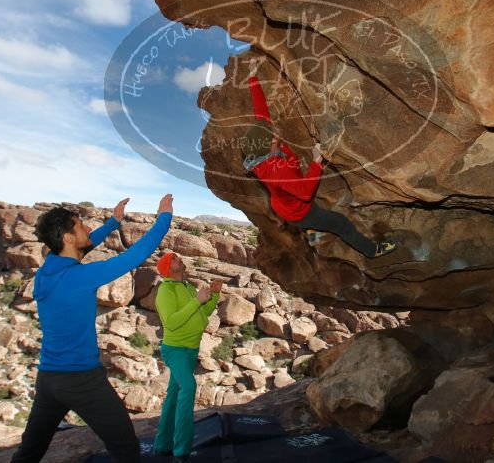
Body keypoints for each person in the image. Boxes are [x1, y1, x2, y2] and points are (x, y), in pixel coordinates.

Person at [10, 194, 174, 463]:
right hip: (81, 380)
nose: (87, 229)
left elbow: (81, 249)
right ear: (68, 238)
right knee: (126, 449)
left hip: (49, 379)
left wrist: (113, 222)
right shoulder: (80, 278)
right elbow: (136, 255)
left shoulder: (46, 272)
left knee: (30, 451)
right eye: (80, 226)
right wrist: (164, 217)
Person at [241, 59, 397, 258]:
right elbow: (305, 193)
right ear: (269, 146)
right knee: (341, 224)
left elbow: (260, 110)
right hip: (298, 212)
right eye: (273, 135)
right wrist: (316, 162)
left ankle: (311, 231)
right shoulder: (276, 170)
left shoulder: (261, 146)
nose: (275, 131)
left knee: (305, 205)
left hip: (284, 204)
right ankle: (372, 250)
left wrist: (252, 74)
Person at [153, 252, 224, 463]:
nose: (179, 259)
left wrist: (214, 295)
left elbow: (204, 311)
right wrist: (196, 301)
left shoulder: (187, 286)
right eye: (174, 259)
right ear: (168, 268)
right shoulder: (165, 291)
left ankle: (162, 444)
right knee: (188, 388)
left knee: (174, 395)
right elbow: (172, 322)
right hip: (175, 350)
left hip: (191, 349)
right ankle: (181, 451)